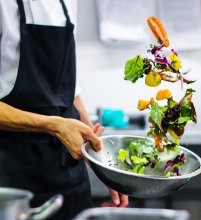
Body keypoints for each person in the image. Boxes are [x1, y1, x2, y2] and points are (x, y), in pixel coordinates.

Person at [0, 0, 128, 219]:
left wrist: (104, 163)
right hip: (13, 183)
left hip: (70, 180)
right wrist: (54, 125)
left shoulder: (67, 2)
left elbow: (68, 89)